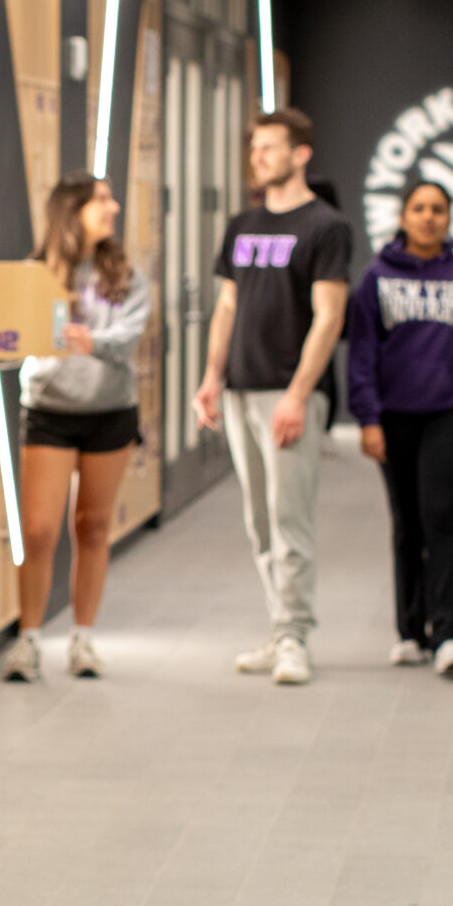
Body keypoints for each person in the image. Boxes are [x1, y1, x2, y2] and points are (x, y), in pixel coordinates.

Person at [192, 108, 355, 686]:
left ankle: (294, 637)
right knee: (259, 522)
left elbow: (329, 316)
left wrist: (298, 394)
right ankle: (278, 625)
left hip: (288, 397)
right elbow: (228, 307)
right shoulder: (242, 226)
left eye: (270, 148)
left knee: (290, 522)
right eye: (255, 149)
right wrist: (212, 376)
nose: (258, 158)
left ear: (300, 154)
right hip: (239, 390)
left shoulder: (325, 227)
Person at [347, 180, 453, 675]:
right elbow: (362, 356)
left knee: (440, 513)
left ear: (450, 219)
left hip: (451, 412)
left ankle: (452, 634)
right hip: (394, 415)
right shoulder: (375, 278)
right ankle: (410, 631)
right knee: (406, 521)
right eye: (419, 208)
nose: (428, 217)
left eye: (438, 209)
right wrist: (368, 417)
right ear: (403, 217)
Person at [8, 174, 152, 681]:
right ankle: (28, 640)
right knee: (39, 530)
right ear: (72, 211)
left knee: (92, 527)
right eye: (101, 200)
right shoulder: (36, 272)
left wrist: (87, 339)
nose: (112, 207)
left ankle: (83, 639)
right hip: (50, 410)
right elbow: (13, 337)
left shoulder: (126, 275)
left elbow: (130, 334)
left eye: (112, 198)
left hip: (110, 411)